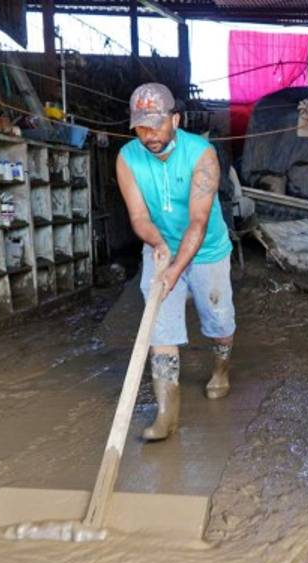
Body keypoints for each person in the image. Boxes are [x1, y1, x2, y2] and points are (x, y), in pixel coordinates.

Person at [116, 83, 235, 442]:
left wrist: (175, 269)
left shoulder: (202, 154)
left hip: (207, 249)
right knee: (160, 326)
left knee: (218, 320)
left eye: (156, 125)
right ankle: (167, 414)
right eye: (141, 127)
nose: (149, 135)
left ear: (176, 120)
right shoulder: (127, 157)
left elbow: (198, 222)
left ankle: (221, 368)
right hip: (161, 247)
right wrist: (156, 244)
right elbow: (138, 216)